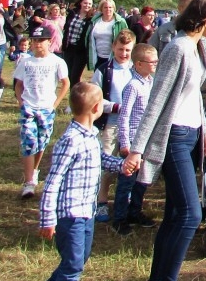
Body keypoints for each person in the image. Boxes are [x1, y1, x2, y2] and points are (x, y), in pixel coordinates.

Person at [121, 0, 206, 281]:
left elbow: (194, 96)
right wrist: (137, 149)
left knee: (176, 214)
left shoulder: (198, 47)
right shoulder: (177, 48)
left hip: (192, 135)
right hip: (174, 136)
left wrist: (203, 127)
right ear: (205, 19)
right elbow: (157, 100)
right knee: (191, 215)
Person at [39, 82, 124, 281]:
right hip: (71, 215)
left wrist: (121, 165)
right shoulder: (71, 140)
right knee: (72, 267)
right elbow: (53, 181)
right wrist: (47, 218)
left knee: (79, 260)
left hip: (87, 212)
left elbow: (100, 159)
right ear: (96, 108)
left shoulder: (91, 135)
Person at [14, 22, 71, 199]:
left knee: (42, 141)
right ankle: (29, 181)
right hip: (29, 107)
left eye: (42, 40)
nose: (38, 44)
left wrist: (55, 103)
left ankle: (35, 169)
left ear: (49, 41)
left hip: (46, 107)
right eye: (35, 40)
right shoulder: (25, 61)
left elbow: (65, 83)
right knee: (28, 141)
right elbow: (18, 84)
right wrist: (21, 102)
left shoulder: (57, 62)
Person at [89, 28, 136, 223]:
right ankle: (101, 202)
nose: (123, 53)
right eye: (120, 49)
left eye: (127, 50)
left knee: (130, 165)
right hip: (111, 124)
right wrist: (116, 107)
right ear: (113, 48)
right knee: (107, 164)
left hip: (132, 126)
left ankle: (125, 201)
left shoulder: (136, 70)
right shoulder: (104, 71)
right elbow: (95, 99)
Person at [111, 43, 159, 235]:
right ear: (139, 64)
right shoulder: (132, 86)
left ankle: (135, 211)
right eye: (152, 62)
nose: (155, 65)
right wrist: (125, 143)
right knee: (126, 182)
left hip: (146, 141)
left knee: (142, 181)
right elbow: (124, 116)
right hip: (133, 141)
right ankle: (119, 218)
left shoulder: (149, 82)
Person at [87, 0, 128, 72]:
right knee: (98, 81)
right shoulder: (94, 21)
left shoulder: (121, 22)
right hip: (98, 57)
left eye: (110, 7)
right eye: (105, 7)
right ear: (101, 9)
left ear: (114, 8)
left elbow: (127, 39)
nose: (108, 9)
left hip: (114, 57)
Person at [62, 0, 95, 86]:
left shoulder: (91, 18)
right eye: (85, 3)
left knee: (75, 76)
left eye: (89, 4)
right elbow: (66, 29)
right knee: (68, 74)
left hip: (81, 51)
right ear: (81, 3)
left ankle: (75, 97)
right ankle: (73, 95)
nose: (87, 5)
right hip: (69, 48)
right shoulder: (73, 13)